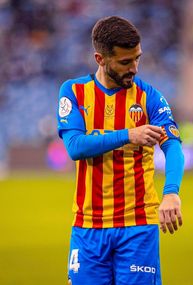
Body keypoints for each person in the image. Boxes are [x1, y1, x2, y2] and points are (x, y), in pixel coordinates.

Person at [57, 16, 184, 285]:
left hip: (138, 225)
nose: (134, 68)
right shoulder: (74, 92)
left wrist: (171, 193)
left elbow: (173, 145)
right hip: (88, 225)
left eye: (137, 58)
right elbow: (75, 147)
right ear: (100, 59)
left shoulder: (149, 96)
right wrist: (130, 134)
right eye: (125, 62)